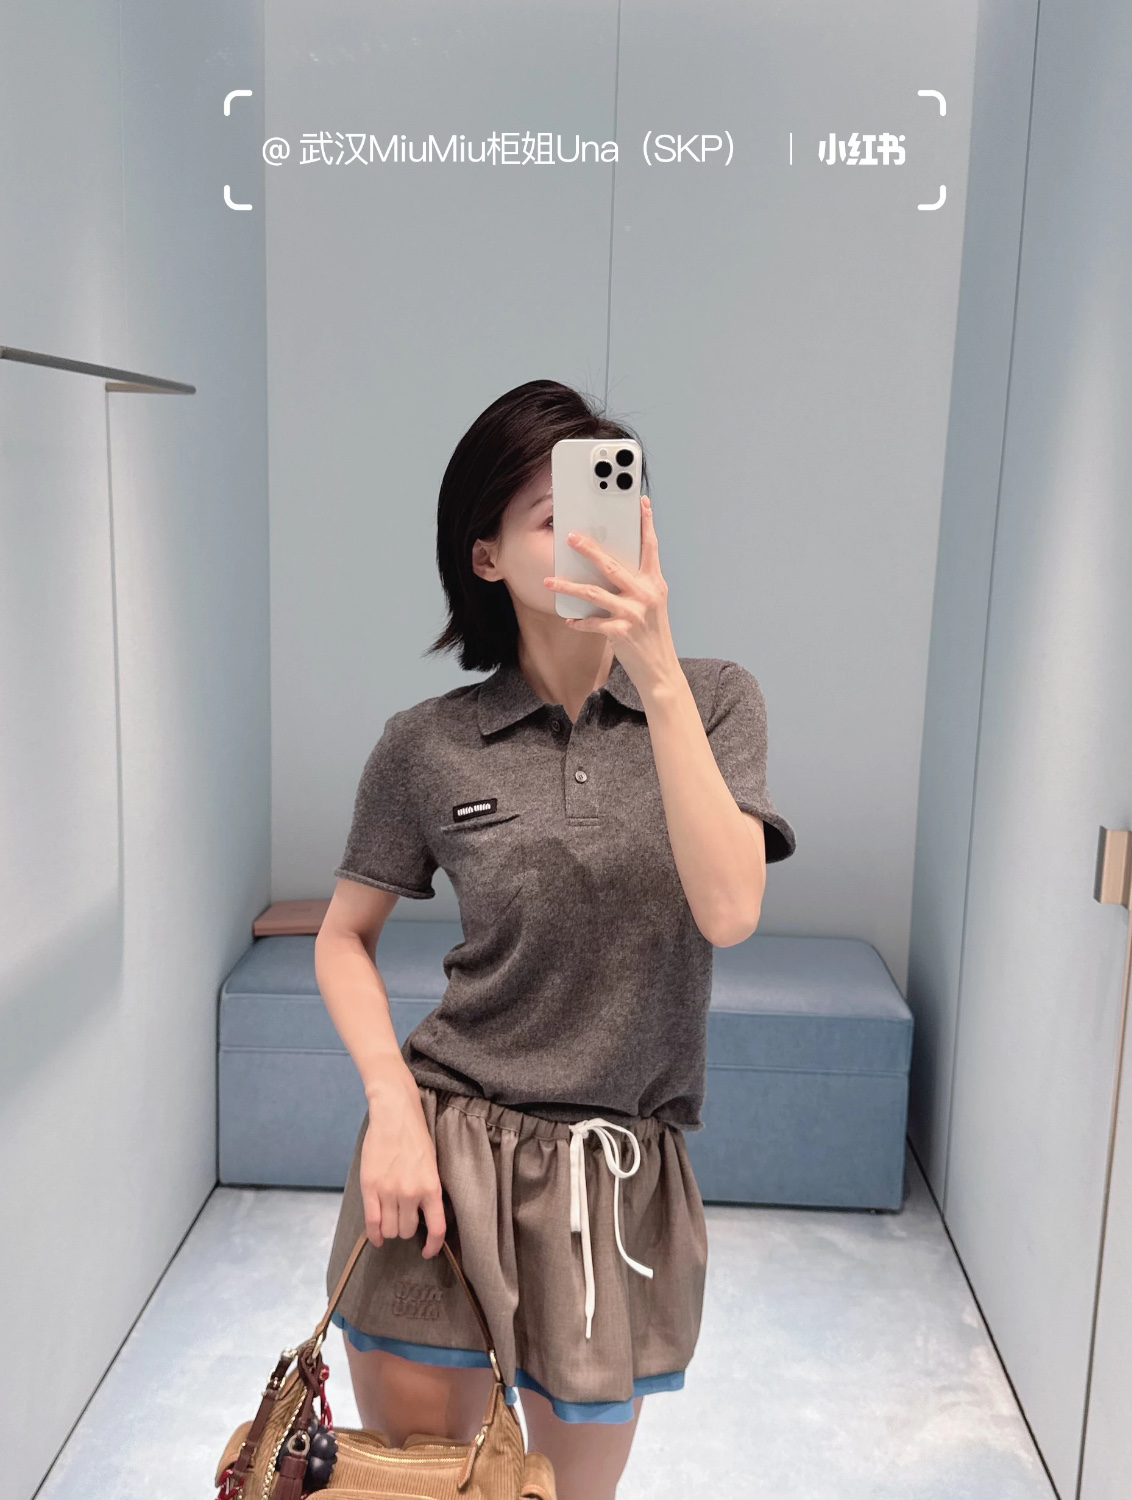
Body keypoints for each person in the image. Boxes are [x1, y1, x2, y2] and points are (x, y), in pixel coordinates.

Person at [314, 379, 796, 1500]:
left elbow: (730, 910)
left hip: (613, 1182)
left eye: (605, 503)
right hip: (441, 1166)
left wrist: (657, 671)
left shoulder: (715, 700)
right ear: (485, 557)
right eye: (550, 516)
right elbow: (342, 938)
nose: (586, 535)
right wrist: (393, 1110)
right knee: (421, 1489)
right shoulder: (427, 745)